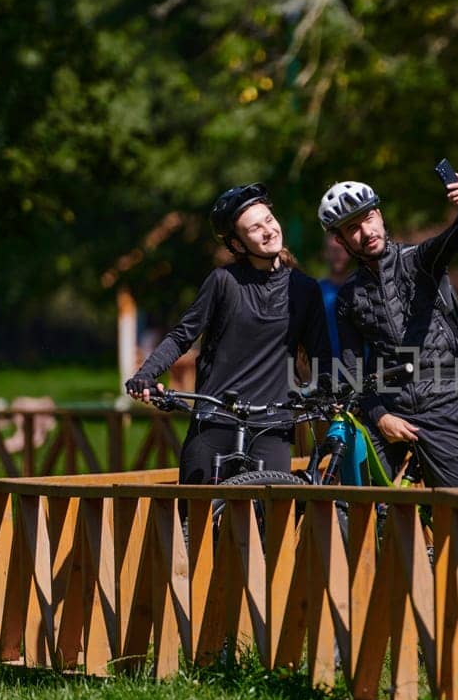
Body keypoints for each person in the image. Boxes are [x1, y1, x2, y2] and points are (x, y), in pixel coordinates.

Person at [125, 184, 331, 483]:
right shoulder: (224, 282)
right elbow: (183, 335)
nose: (269, 231)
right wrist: (146, 374)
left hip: (271, 425)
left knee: (273, 525)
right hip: (215, 420)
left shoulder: (305, 289)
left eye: (269, 220)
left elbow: (320, 354)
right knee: (199, 523)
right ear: (237, 243)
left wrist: (331, 391)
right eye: (255, 228)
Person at [320, 171, 458, 488]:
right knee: (356, 495)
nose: (366, 231)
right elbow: (353, 367)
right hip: (389, 407)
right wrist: (381, 415)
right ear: (340, 241)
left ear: (380, 216)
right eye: (352, 228)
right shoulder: (349, 295)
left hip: (441, 402)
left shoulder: (419, 261)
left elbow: (450, 239)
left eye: (368, 218)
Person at [317, 230, 355, 358]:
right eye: (333, 250)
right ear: (324, 253)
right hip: (327, 368)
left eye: (341, 250)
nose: (338, 255)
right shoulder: (316, 292)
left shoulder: (362, 287)